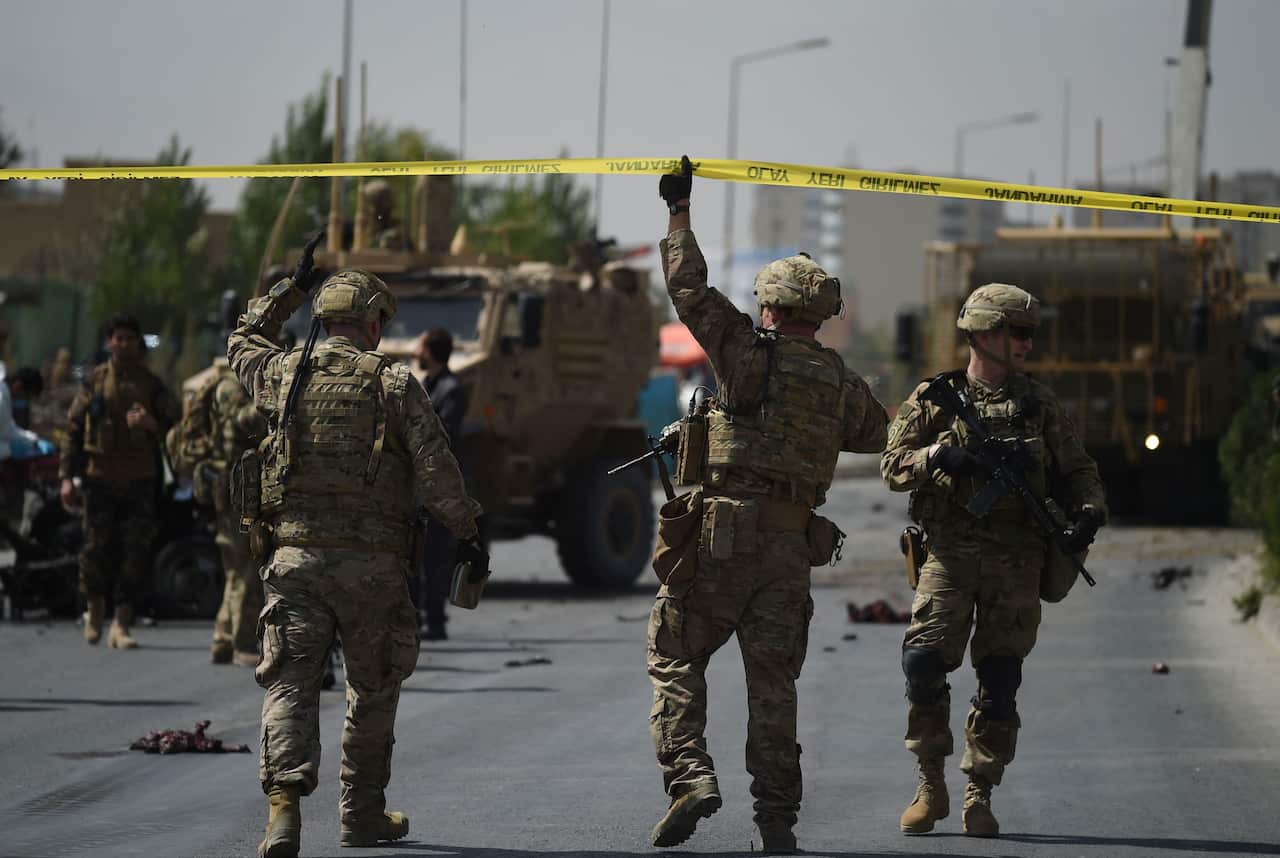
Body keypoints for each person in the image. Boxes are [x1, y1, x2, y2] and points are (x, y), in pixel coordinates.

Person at [647, 157, 888, 853]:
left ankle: (691, 776)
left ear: (772, 308)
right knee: (773, 687)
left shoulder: (748, 354)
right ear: (823, 313)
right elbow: (877, 435)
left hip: (722, 538)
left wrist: (679, 211)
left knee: (673, 653)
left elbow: (689, 289)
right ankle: (777, 824)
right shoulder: (840, 380)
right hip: (790, 550)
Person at [228, 262, 484, 857]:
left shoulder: (283, 373)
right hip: (372, 566)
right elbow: (435, 468)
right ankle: (361, 812)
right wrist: (467, 529)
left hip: (295, 561)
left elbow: (241, 340)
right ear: (373, 323)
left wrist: (285, 290)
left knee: (290, 684)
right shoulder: (394, 384)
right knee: (371, 689)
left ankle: (283, 811)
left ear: (323, 319)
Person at [880, 284, 1107, 838]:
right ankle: (930, 785)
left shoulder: (1040, 404)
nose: (1028, 344)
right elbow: (892, 465)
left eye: (1030, 334)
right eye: (1019, 333)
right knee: (924, 664)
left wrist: (1089, 511)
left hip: (1017, 556)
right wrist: (937, 456)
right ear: (984, 333)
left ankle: (979, 789)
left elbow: (1079, 470)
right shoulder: (936, 398)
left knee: (1000, 677)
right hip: (951, 553)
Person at [60, 314, 179, 649]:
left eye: (129, 338)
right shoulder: (94, 382)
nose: (123, 344)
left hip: (139, 480)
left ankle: (122, 623)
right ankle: (96, 610)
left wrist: (151, 424)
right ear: (109, 342)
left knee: (135, 553)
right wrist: (67, 478)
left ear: (137, 344)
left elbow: (177, 426)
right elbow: (72, 430)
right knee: (95, 550)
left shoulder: (151, 384)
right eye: (118, 338)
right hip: (99, 479)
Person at [168, 359, 267, 666]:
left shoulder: (219, 383)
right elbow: (239, 428)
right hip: (238, 489)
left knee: (235, 569)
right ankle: (242, 643)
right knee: (246, 570)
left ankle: (222, 639)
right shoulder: (236, 387)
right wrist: (271, 403)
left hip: (230, 487)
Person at [415, 328, 468, 640]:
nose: (416, 353)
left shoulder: (452, 389)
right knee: (416, 554)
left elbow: (446, 435)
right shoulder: (428, 385)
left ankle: (436, 621)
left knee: (434, 557)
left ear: (431, 352)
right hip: (420, 482)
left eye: (420, 348)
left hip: (439, 486)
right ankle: (418, 617)